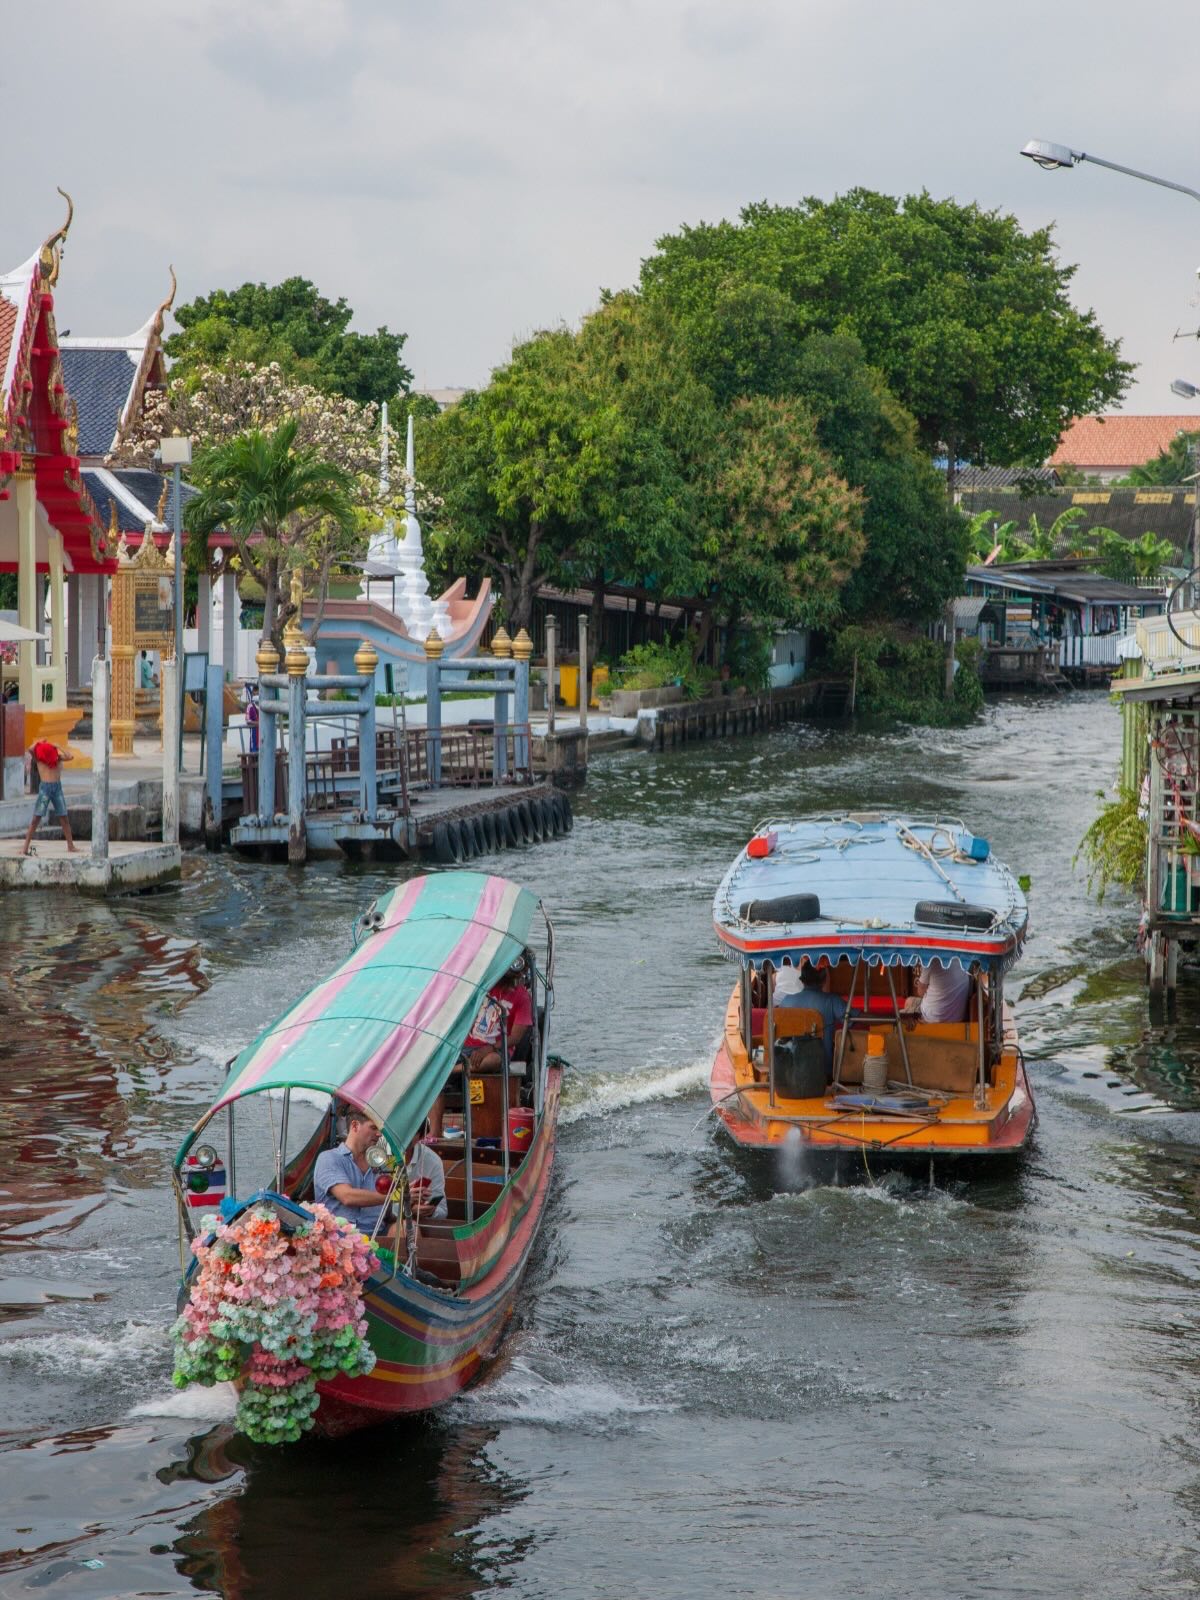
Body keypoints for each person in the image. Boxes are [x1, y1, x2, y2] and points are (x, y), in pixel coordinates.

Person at [313, 1109, 392, 1237]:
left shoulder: (381, 1164)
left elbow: (387, 1213)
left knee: (407, 1228)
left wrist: (410, 1205)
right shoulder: (329, 1158)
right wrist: (394, 1196)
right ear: (355, 1125)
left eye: (380, 1129)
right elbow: (347, 1197)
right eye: (373, 1127)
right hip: (339, 1239)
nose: (379, 1134)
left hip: (378, 1235)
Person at [463, 956, 533, 1071]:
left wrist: (489, 1049)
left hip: (496, 1051)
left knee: (493, 1061)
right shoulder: (484, 986)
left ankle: (453, 1071)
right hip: (468, 1045)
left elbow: (515, 1037)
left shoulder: (523, 997)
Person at [777, 960, 846, 1075]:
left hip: (790, 1072)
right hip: (823, 1074)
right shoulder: (832, 1001)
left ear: (802, 980)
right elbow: (856, 1018)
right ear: (824, 980)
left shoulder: (786, 1001)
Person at [21, 740, 77, 856]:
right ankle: (25, 848)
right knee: (36, 819)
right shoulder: (39, 759)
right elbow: (30, 749)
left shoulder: (58, 758)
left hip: (57, 788)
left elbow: (70, 756)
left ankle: (70, 846)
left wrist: (58, 746)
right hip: (45, 790)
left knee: (64, 817)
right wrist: (38, 742)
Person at [904, 960, 971, 1023]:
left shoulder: (930, 960)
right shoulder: (961, 959)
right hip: (958, 1017)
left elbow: (920, 992)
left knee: (907, 1006)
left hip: (932, 1017)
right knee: (909, 1001)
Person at [405, 1128, 447, 1221]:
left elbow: (442, 1211)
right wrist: (406, 1206)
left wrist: (430, 1211)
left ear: (420, 1136)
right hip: (378, 1221)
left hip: (408, 1225)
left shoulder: (432, 1161)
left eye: (411, 1131)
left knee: (407, 1228)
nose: (404, 1136)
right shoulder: (376, 1153)